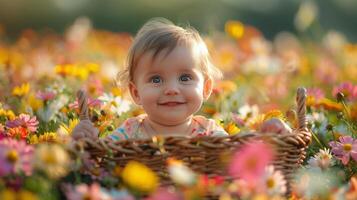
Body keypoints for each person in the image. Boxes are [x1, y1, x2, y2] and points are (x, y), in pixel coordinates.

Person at [72, 18, 228, 141]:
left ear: (206, 88)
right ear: (136, 92)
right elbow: (102, 161)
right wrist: (87, 143)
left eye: (185, 77)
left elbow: (233, 161)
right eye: (156, 80)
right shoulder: (129, 134)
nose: (172, 89)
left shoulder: (211, 134)